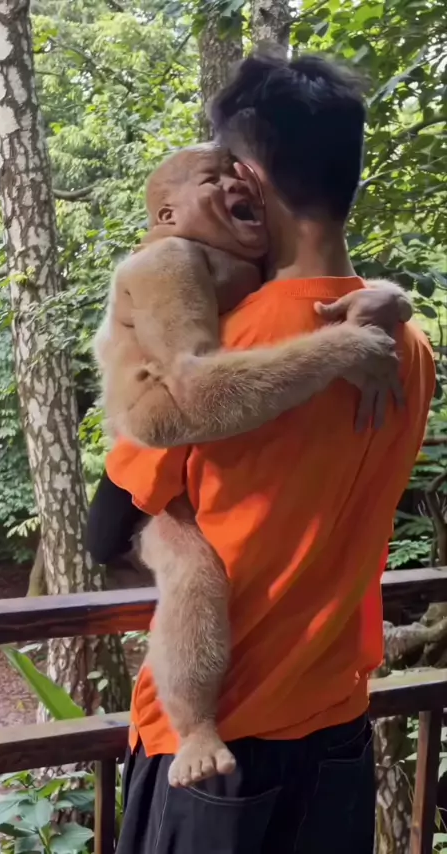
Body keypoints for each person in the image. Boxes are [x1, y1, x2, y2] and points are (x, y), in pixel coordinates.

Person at [108, 54, 435, 854]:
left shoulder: (231, 349)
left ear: (246, 180)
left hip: (217, 747)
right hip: (336, 729)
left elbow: (106, 528)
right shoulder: (406, 345)